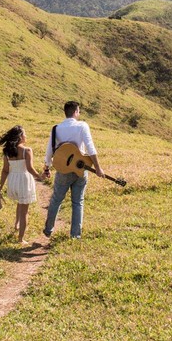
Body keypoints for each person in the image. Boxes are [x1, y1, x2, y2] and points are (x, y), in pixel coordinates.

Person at [42, 100, 104, 239]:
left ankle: (48, 229)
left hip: (63, 170)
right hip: (80, 169)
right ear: (76, 112)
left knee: (56, 200)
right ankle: (75, 235)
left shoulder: (56, 128)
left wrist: (47, 167)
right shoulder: (82, 126)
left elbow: (49, 151)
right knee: (78, 202)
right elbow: (90, 147)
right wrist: (98, 168)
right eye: (79, 111)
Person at [0, 125, 45, 244]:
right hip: (24, 180)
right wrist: (40, 177)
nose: (26, 136)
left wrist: (0, 186)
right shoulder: (27, 150)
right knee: (24, 211)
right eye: (24, 134)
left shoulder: (7, 152)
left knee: (19, 202)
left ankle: (16, 225)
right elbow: (30, 169)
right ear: (20, 137)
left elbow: (5, 170)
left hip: (13, 180)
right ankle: (21, 239)